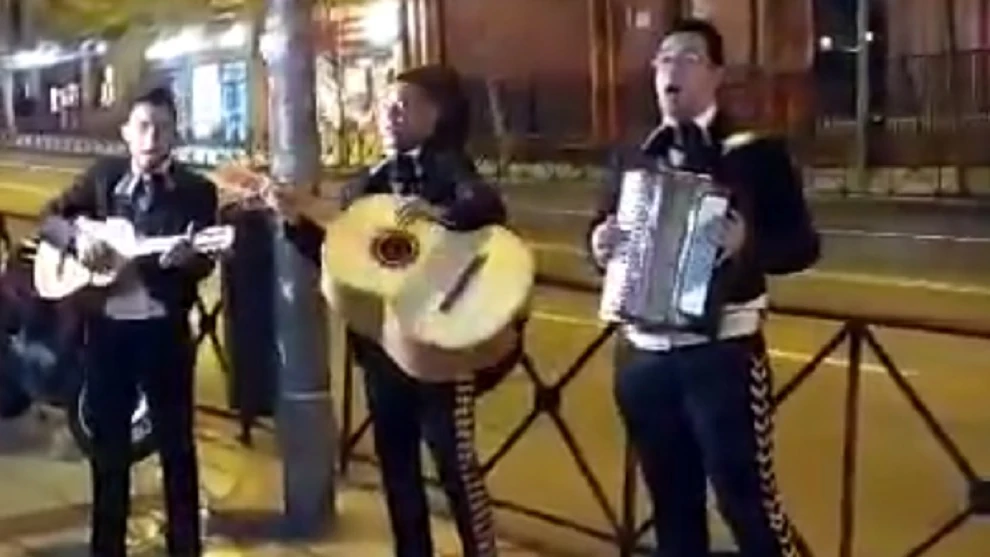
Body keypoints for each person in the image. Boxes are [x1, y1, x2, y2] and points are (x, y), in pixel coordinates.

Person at [587, 19, 820, 557]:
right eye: (663, 59)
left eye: (688, 57)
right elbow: (602, 231)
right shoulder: (634, 154)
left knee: (747, 504)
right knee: (672, 508)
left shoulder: (755, 155)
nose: (671, 67)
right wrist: (599, 243)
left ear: (716, 75)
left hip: (723, 357)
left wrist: (748, 244)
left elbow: (802, 246)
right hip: (642, 358)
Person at [339, 64, 512, 557]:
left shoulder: (446, 166)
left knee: (455, 463)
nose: (391, 114)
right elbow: (339, 260)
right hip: (383, 346)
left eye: (405, 104)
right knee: (397, 470)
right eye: (386, 105)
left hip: (442, 347)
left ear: (435, 115)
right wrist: (294, 221)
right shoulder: (363, 185)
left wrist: (444, 216)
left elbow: (486, 205)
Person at [38, 86, 218, 557]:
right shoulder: (104, 178)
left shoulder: (198, 191)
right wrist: (78, 241)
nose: (152, 136)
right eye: (142, 126)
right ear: (126, 133)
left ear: (176, 133)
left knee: (177, 449)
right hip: (107, 334)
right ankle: (107, 546)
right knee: (108, 449)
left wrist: (185, 259)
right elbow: (50, 219)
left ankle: (185, 547)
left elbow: (203, 265)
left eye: (162, 127)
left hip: (163, 334)